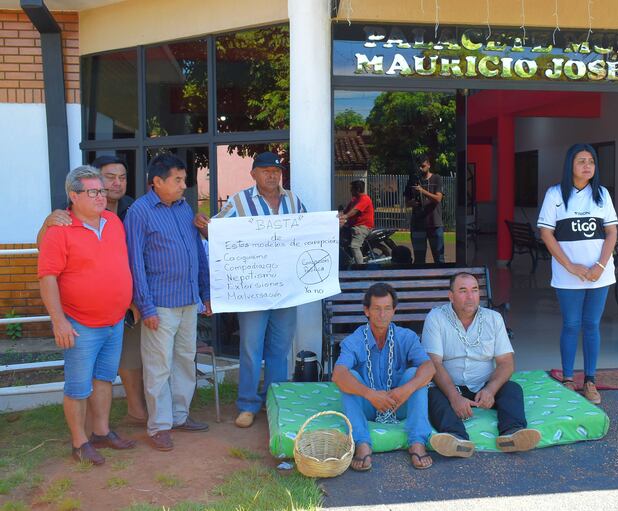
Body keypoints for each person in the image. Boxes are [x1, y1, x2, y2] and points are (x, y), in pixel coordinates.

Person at [194, 151, 306, 429]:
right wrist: (206, 229)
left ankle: (274, 401)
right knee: (251, 348)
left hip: (286, 289)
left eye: (276, 171)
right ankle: (247, 405)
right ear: (253, 173)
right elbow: (217, 232)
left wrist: (331, 226)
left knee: (280, 349)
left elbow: (308, 232)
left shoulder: (293, 201)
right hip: (253, 290)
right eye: (266, 170)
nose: (272, 175)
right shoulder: (239, 201)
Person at [36, 155, 147, 425]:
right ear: (74, 196)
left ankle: (102, 432)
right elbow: (47, 274)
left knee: (105, 377)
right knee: (78, 385)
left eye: (103, 190)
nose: (103, 193)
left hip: (115, 318)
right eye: (96, 190)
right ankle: (80, 442)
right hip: (80, 322)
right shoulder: (61, 224)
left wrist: (131, 298)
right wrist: (58, 320)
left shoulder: (116, 219)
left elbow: (124, 262)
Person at [124, 154, 211, 451]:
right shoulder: (140, 212)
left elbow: (197, 252)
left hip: (188, 300)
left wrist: (205, 293)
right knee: (159, 366)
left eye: (183, 180)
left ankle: (179, 415)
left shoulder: (185, 207)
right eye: (177, 180)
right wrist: (145, 306)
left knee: (185, 360)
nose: (183, 186)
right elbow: (135, 262)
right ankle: (159, 425)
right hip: (159, 304)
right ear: (157, 181)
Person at [422, 272, 541, 457]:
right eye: (463, 291)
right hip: (449, 387)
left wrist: (491, 390)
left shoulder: (493, 318)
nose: (470, 297)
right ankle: (457, 438)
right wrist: (454, 397)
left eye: (474, 290)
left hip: (483, 387)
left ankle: (512, 434)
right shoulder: (436, 317)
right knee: (430, 395)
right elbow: (434, 364)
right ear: (451, 296)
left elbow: (506, 362)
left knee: (512, 389)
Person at [537, 143, 618, 405]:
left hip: (599, 275)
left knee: (592, 325)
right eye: (581, 161)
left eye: (591, 161)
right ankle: (569, 380)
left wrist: (600, 266)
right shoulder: (555, 194)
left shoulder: (602, 195)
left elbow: (612, 232)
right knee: (572, 325)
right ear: (570, 164)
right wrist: (571, 266)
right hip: (567, 275)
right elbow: (546, 233)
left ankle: (591, 381)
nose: (587, 166)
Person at [332, 283, 436, 471]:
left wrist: (407, 389)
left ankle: (417, 442)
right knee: (350, 377)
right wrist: (370, 394)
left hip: (399, 402)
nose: (382, 314)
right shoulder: (354, 340)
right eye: (377, 309)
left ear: (394, 310)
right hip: (368, 406)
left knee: (416, 374)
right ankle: (362, 443)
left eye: (387, 308)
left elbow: (429, 367)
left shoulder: (406, 337)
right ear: (366, 311)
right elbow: (338, 374)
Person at [403, 155, 444, 264]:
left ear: (429, 165)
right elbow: (406, 202)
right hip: (417, 224)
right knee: (419, 259)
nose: (421, 169)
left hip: (434, 224)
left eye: (423, 166)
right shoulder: (412, 180)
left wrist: (422, 191)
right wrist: (411, 203)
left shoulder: (436, 178)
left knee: (439, 258)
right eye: (419, 167)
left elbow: (438, 198)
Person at [339, 180, 374, 264]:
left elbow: (355, 210)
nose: (350, 191)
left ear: (357, 189)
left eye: (352, 189)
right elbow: (345, 211)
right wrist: (335, 215)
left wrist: (345, 216)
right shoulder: (354, 199)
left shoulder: (364, 199)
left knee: (354, 246)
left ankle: (360, 269)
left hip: (362, 227)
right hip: (353, 225)